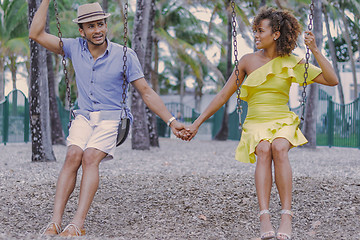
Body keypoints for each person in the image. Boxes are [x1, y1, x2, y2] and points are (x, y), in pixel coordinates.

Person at [29, 1, 187, 237]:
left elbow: (145, 91)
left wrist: (172, 121)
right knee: (73, 155)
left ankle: (78, 222)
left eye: (101, 24)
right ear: (82, 31)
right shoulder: (74, 48)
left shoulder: (124, 55)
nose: (97, 30)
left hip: (114, 119)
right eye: (91, 26)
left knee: (90, 157)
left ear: (106, 25)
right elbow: (36, 33)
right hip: (83, 115)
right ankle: (55, 221)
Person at [183, 7, 338, 240]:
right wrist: (196, 123)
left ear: (275, 34)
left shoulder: (291, 61)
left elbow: (332, 80)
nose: (255, 35)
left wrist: (314, 49)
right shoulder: (247, 61)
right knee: (264, 149)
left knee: (278, 147)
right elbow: (222, 96)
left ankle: (286, 215)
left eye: (260, 31)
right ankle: (264, 216)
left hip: (282, 118)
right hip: (256, 120)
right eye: (254, 30)